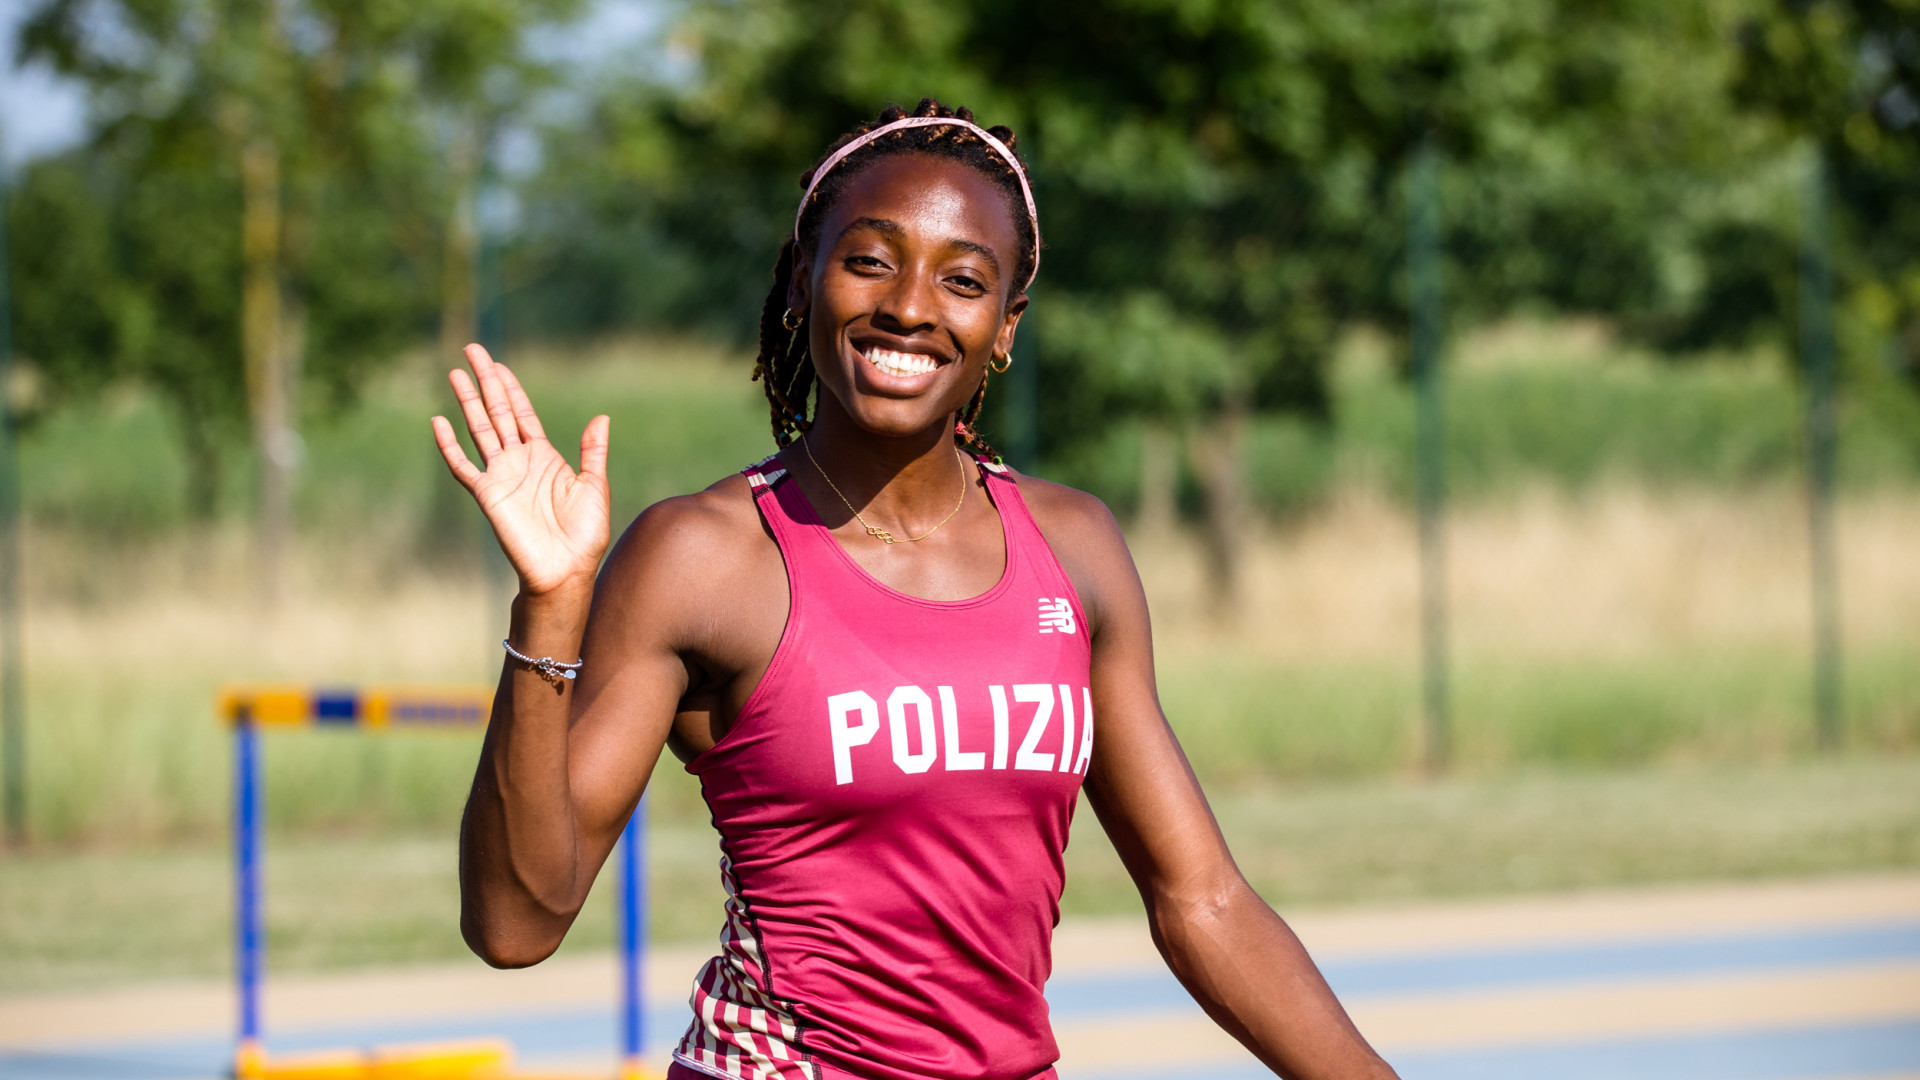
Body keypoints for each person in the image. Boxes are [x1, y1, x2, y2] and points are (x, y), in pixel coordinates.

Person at [435, 98, 1397, 1080]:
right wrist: (550, 603)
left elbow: (1204, 903)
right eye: (868, 260)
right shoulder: (705, 556)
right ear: (801, 284)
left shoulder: (1076, 548)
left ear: (1006, 326)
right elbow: (517, 922)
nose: (908, 304)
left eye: (964, 280)